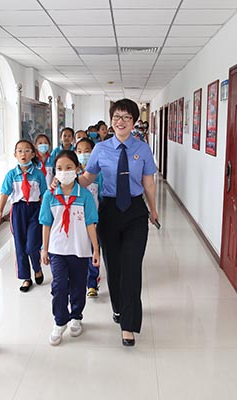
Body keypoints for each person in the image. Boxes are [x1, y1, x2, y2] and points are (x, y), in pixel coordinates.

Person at [79, 98, 158, 347]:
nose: (120, 121)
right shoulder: (101, 149)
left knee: (132, 267)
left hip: (135, 211)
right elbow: (88, 178)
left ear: (134, 122)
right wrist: (65, 181)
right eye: (116, 117)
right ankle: (118, 307)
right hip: (110, 210)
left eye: (126, 117)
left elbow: (148, 183)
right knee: (113, 267)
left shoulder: (142, 148)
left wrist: (153, 209)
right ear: (111, 121)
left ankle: (128, 325)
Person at [39, 150, 100, 346]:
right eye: (59, 168)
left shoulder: (85, 196)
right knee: (58, 286)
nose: (64, 172)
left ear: (77, 169)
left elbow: (90, 223)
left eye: (68, 167)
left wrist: (96, 250)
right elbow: (46, 224)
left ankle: (76, 316)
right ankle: (59, 321)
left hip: (80, 249)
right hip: (57, 249)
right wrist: (44, 249)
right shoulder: (49, 196)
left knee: (78, 285)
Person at [0, 140, 47, 292]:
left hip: (34, 209)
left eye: (27, 150)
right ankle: (26, 277)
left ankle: (37, 268)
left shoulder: (38, 174)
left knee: (32, 245)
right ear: (15, 155)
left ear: (33, 154)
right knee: (20, 245)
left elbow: (44, 195)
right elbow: (5, 193)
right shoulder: (11, 175)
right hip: (18, 210)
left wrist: (46, 213)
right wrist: (0, 212)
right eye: (19, 151)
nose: (23, 154)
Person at [75, 138, 103, 297]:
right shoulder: (72, 174)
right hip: (76, 220)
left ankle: (92, 283)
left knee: (94, 249)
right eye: (79, 151)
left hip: (94, 221)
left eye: (87, 151)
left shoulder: (99, 175)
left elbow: (102, 197)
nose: (83, 154)